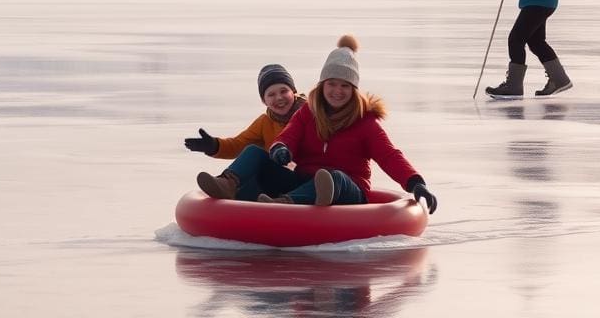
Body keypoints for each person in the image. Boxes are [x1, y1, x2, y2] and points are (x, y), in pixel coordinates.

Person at [195, 36, 438, 213]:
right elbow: (288, 136)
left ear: (353, 90)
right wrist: (281, 148)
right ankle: (227, 184)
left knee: (334, 176)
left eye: (345, 86)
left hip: (349, 191)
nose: (337, 91)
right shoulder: (307, 114)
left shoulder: (366, 123)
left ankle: (286, 205)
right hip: (305, 181)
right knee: (254, 153)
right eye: (332, 84)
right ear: (322, 86)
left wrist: (416, 183)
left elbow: (389, 156)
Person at [184, 64, 306, 201]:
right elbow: (238, 144)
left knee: (256, 157)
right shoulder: (265, 122)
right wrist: (214, 146)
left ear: (293, 91)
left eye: (283, 91)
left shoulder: (311, 114)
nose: (279, 98)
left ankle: (233, 188)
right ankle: (228, 185)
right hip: (275, 179)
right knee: (251, 163)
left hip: (304, 179)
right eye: (271, 94)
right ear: (263, 100)